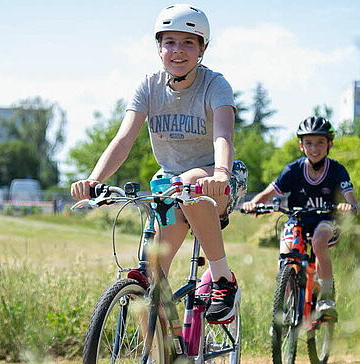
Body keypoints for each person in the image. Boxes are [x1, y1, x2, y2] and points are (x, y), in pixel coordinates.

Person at [70, 4, 247, 323]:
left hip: (216, 178)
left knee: (191, 181)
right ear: (159, 46)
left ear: (202, 48)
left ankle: (222, 278)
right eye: (169, 42)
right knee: (152, 280)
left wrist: (221, 173)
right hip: (169, 182)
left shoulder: (215, 85)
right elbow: (123, 140)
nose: (178, 50)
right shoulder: (148, 87)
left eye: (188, 42)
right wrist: (93, 180)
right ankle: (166, 348)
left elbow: (224, 136)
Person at [242, 116, 360, 320]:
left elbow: (351, 199)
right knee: (286, 253)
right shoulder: (294, 169)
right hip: (297, 219)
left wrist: (349, 206)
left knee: (318, 240)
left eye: (320, 142)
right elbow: (268, 193)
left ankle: (326, 299)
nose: (314, 148)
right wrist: (254, 203)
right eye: (309, 143)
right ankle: (286, 304)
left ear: (329, 144)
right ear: (301, 146)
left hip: (326, 220)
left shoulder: (337, 170)